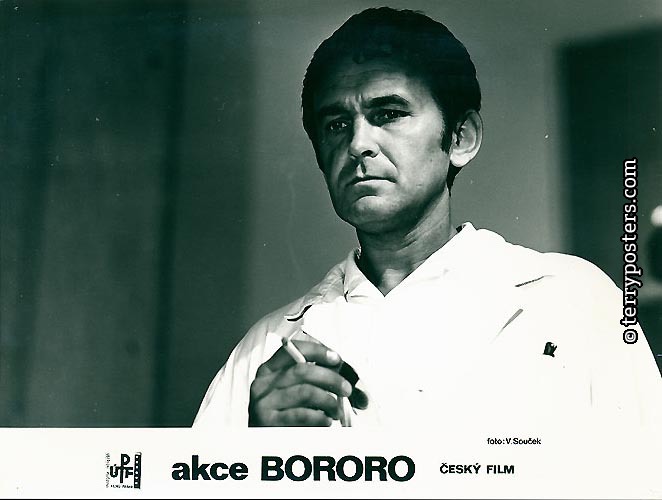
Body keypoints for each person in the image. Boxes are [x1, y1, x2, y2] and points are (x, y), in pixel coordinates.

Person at [193, 7, 662, 428]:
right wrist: (257, 453)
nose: (358, 144)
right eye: (336, 124)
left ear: (460, 138)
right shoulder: (267, 350)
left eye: (389, 113)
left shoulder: (574, 300)